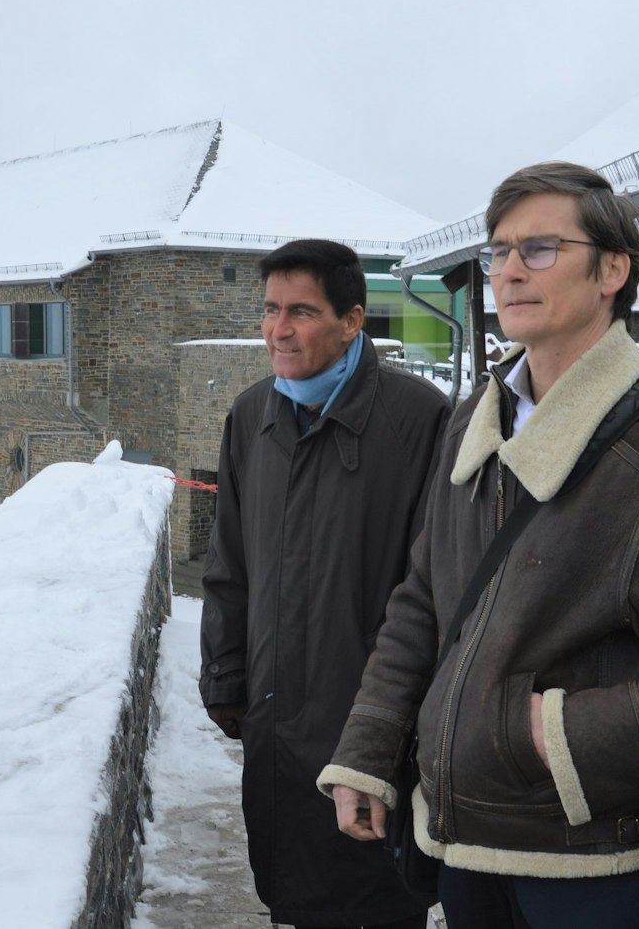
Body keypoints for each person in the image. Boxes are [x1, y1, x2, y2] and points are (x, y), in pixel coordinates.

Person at [318, 162, 639, 929]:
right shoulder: (472, 419)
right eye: (499, 251)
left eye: (539, 248)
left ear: (614, 269)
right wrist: (369, 749)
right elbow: (425, 600)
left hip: (597, 866)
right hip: (466, 848)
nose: (508, 270)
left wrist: (555, 735)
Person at [201, 238, 453, 929]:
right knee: (293, 895)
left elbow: (438, 594)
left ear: (353, 320)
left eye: (302, 312)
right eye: (270, 310)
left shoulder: (419, 420)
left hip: (374, 741)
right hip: (277, 733)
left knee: (374, 902)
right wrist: (226, 682)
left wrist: (407, 737)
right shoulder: (252, 416)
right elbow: (228, 566)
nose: (278, 330)